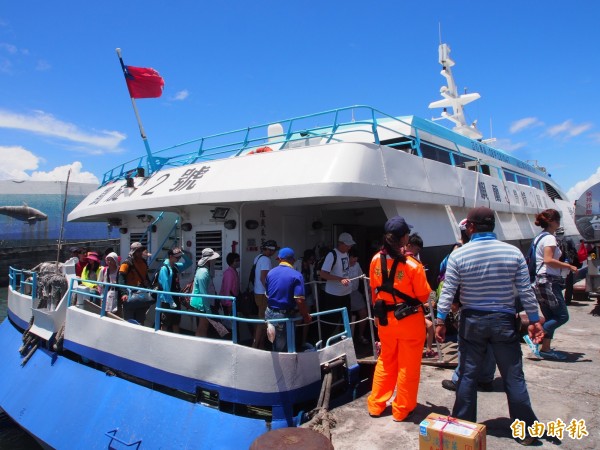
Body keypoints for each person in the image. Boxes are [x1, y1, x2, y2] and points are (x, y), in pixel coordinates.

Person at [435, 206, 545, 446]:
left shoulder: (459, 255)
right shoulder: (513, 253)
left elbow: (449, 291)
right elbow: (526, 291)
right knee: (513, 376)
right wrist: (535, 320)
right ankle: (526, 431)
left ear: (471, 227)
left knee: (467, 376)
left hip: (472, 321)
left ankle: (463, 426)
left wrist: (440, 320)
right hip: (504, 321)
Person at [367, 216, 431, 422]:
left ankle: (376, 405)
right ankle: (401, 409)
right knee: (408, 366)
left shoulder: (376, 259)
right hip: (409, 321)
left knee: (386, 361)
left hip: (385, 319)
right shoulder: (412, 264)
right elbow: (423, 295)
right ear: (405, 238)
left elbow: (374, 290)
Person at [532, 209, 577, 360]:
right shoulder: (550, 238)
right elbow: (548, 260)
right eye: (557, 220)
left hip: (540, 281)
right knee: (562, 316)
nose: (559, 223)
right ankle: (534, 336)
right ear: (551, 222)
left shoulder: (539, 237)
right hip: (549, 281)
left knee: (551, 316)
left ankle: (545, 349)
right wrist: (568, 266)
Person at [265, 248, 312, 351]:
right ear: (293, 260)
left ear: (279, 259)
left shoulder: (270, 273)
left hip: (269, 313)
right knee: (283, 348)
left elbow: (268, 294)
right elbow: (299, 300)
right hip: (283, 316)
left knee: (273, 343)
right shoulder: (296, 275)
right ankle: (282, 367)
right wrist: (306, 316)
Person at [319, 232, 355, 336]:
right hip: (333, 295)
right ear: (341, 243)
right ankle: (327, 344)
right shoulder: (332, 255)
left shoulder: (346, 254)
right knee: (331, 322)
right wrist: (340, 279)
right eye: (348, 245)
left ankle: (344, 344)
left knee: (345, 321)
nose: (349, 247)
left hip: (345, 293)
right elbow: (323, 274)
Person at [158, 247, 192, 333]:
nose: (178, 258)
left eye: (179, 257)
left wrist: (182, 253)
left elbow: (189, 262)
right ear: (170, 256)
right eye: (176, 257)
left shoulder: (176, 267)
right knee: (165, 323)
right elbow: (165, 286)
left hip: (176, 298)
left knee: (176, 322)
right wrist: (170, 301)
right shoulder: (164, 269)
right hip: (167, 300)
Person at [118, 242, 154, 323]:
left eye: (141, 250)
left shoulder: (144, 263)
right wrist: (124, 293)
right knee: (129, 320)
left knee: (141, 319)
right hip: (130, 295)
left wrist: (150, 288)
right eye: (138, 250)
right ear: (133, 252)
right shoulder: (126, 263)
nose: (140, 252)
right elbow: (121, 279)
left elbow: (146, 277)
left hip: (141, 295)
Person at [251, 240, 278, 349]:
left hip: (257, 292)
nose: (274, 252)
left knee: (262, 320)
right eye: (273, 250)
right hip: (263, 294)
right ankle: (254, 345)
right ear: (270, 249)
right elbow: (263, 278)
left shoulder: (257, 257)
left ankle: (261, 344)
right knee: (262, 320)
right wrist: (270, 292)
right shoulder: (266, 260)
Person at [191, 248, 220, 337]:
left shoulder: (203, 270)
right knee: (203, 326)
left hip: (201, 302)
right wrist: (208, 310)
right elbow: (203, 293)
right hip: (201, 303)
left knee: (203, 326)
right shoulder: (203, 272)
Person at [348, 248, 369, 345]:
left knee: (363, 312)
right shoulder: (342, 265)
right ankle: (345, 340)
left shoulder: (357, 265)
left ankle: (360, 336)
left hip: (355, 292)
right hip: (343, 293)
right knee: (345, 316)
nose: (354, 260)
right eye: (353, 258)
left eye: (356, 258)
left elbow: (362, 277)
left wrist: (369, 287)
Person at [219, 252, 240, 318]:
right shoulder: (229, 273)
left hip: (233, 301)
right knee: (230, 324)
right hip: (228, 303)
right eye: (236, 261)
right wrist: (229, 304)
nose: (238, 262)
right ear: (231, 262)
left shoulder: (234, 271)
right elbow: (227, 289)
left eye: (239, 260)